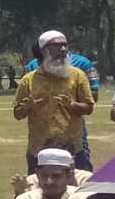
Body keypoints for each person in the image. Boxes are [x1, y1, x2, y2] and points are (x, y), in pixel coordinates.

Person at [13, 31, 95, 173]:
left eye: (65, 45)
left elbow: (89, 108)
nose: (63, 49)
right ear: (44, 50)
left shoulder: (77, 76)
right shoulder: (29, 80)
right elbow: (17, 114)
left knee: (77, 191)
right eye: (57, 46)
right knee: (39, 191)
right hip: (38, 149)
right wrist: (27, 107)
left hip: (73, 148)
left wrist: (73, 105)